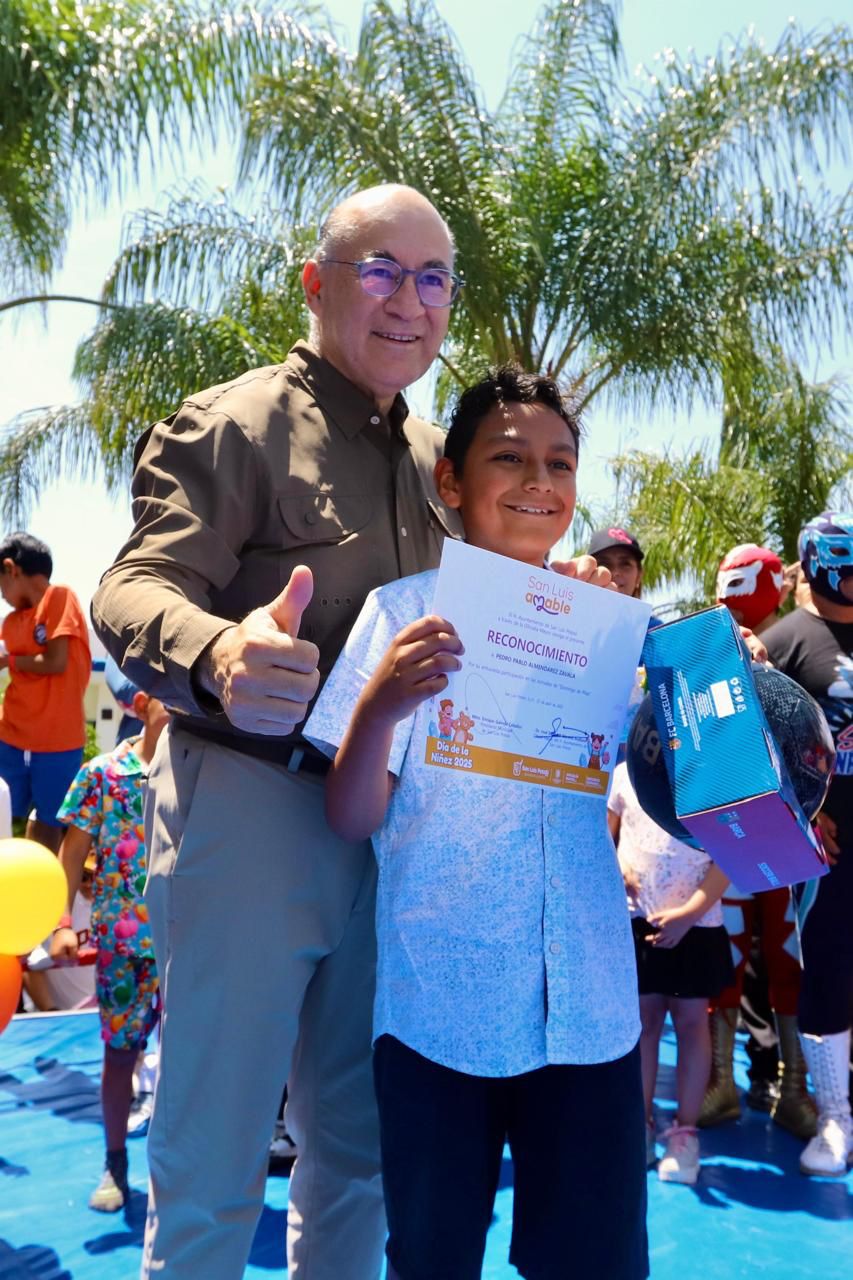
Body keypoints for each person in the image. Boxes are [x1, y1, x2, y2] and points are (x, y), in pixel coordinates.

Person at [91, 183, 468, 1280]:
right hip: (253, 806)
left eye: (433, 276)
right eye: (381, 271)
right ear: (316, 284)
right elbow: (133, 586)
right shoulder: (236, 424)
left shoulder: (436, 459)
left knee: (357, 1156)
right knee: (212, 1160)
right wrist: (216, 653)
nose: (410, 301)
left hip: (391, 830)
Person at [305, 366, 647, 1280]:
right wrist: (378, 707)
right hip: (438, 1009)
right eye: (509, 458)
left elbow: (656, 787)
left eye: (560, 462)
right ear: (450, 482)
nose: (540, 481)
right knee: (432, 1255)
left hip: (591, 1009)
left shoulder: (609, 628)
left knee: (594, 1259)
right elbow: (349, 816)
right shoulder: (403, 616)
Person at [701, 543, 814, 1139]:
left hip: (753, 829)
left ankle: (774, 1084)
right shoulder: (721, 645)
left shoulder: (786, 644)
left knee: (765, 951)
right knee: (757, 951)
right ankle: (754, 1084)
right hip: (748, 830)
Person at [50, 689, 168, 1211]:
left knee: (193, 1063)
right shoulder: (102, 774)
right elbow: (72, 853)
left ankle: (182, 1174)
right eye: (172, 699)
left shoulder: (206, 777)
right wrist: (60, 923)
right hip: (124, 944)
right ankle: (115, 1164)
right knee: (121, 1056)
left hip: (191, 944)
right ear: (140, 705)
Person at [762, 511, 853, 1177]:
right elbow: (742, 745)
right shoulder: (784, 642)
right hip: (829, 854)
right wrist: (800, 811)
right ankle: (834, 1120)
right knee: (829, 973)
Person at [608, 761, 732, 1184]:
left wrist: (690, 913)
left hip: (696, 925)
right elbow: (606, 834)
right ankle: (638, 1126)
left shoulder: (714, 779)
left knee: (692, 1023)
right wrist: (616, 871)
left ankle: (684, 1133)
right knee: (643, 1024)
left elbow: (730, 855)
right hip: (637, 920)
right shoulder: (625, 774)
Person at [0, 532, 91, 852]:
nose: (3, 596)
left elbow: (55, 661)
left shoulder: (60, 598)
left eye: (1, 585)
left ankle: (40, 898)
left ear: (11, 568)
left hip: (58, 742)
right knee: (8, 817)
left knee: (50, 826)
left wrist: (9, 660)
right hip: (9, 738)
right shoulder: (10, 622)